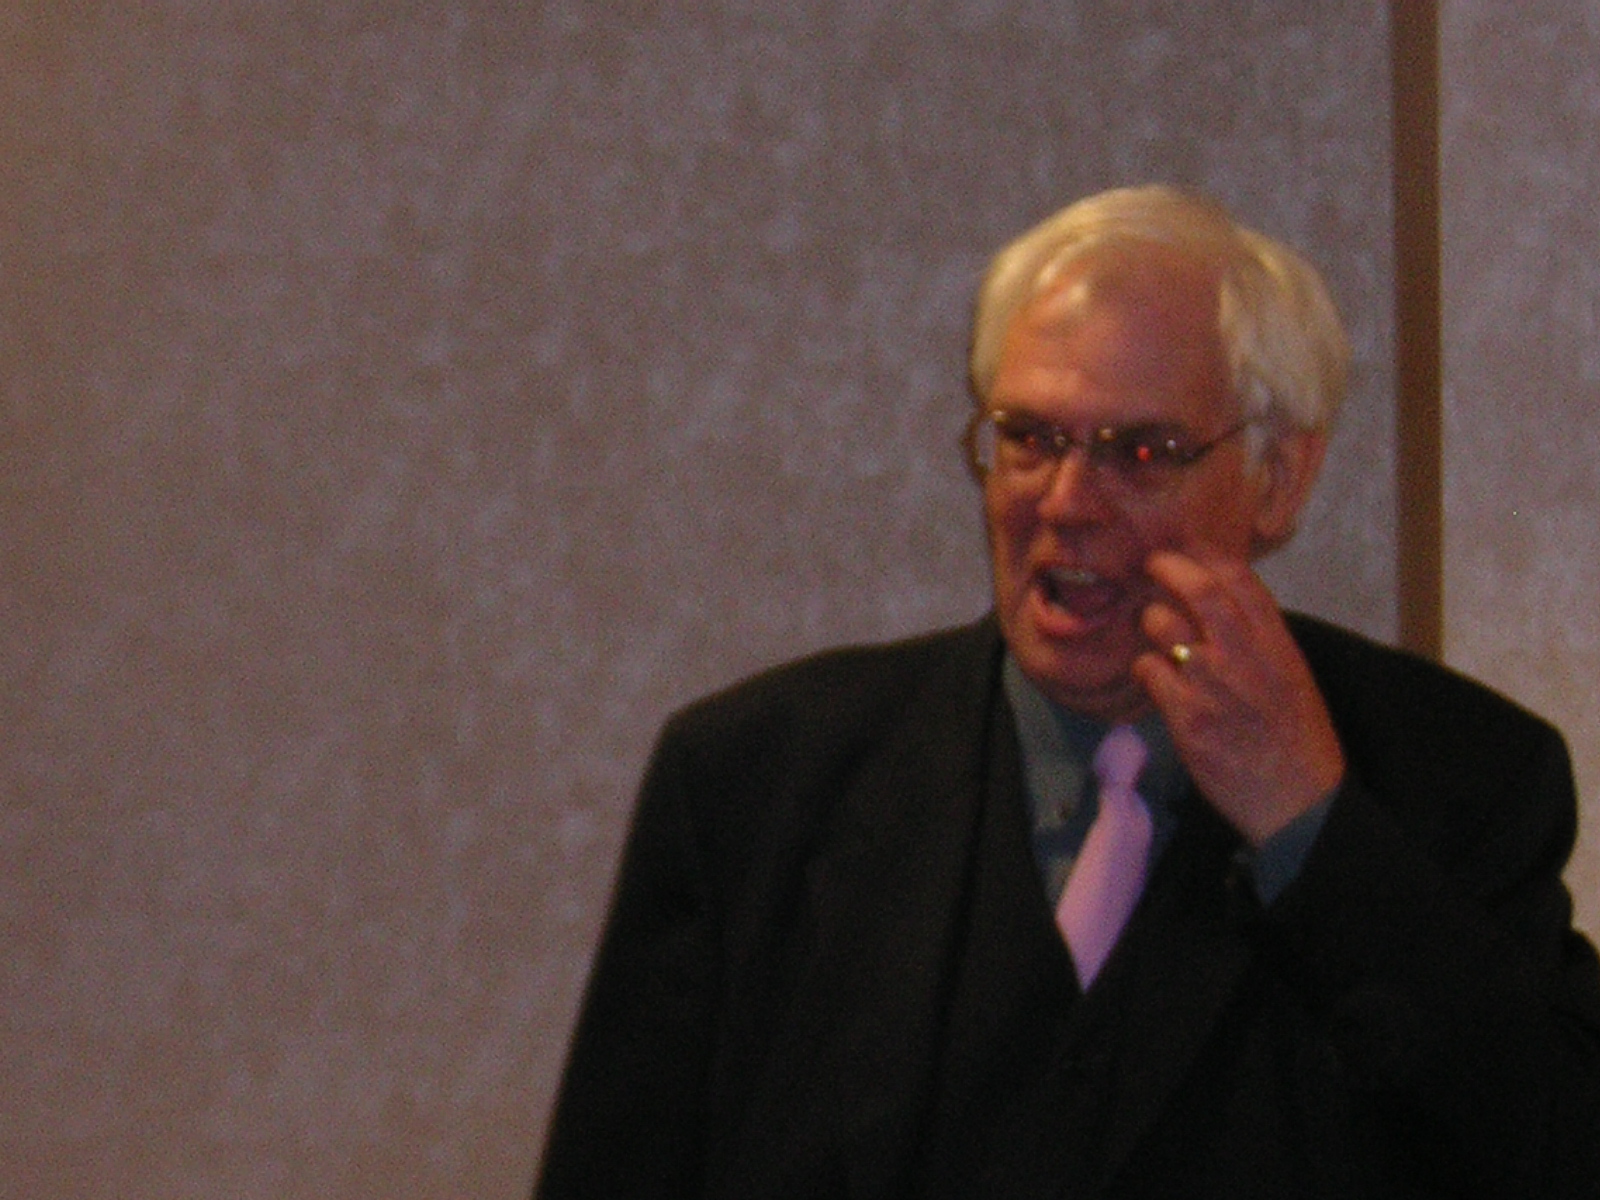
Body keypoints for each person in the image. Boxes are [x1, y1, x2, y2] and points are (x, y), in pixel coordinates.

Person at [534, 185, 1600, 1198]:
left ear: (1278, 480)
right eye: (1031, 440)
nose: (1066, 503)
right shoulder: (755, 786)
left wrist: (1310, 829)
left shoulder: (1463, 781)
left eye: (1142, 451)